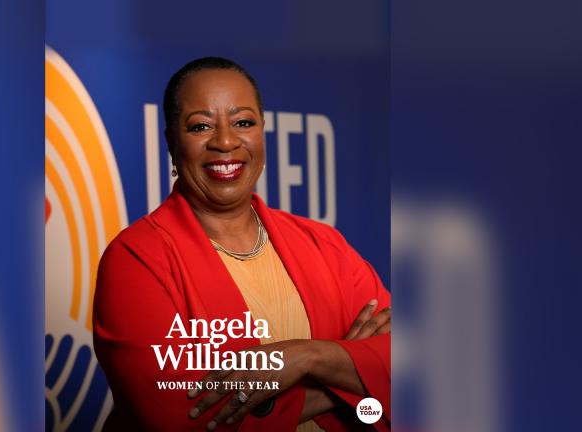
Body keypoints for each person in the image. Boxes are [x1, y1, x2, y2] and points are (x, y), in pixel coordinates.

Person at [93, 57, 391, 431]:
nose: (225, 141)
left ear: (263, 131)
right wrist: (352, 379)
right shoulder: (136, 261)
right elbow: (186, 419)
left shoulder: (322, 243)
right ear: (171, 142)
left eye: (243, 122)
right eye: (200, 126)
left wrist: (305, 357)